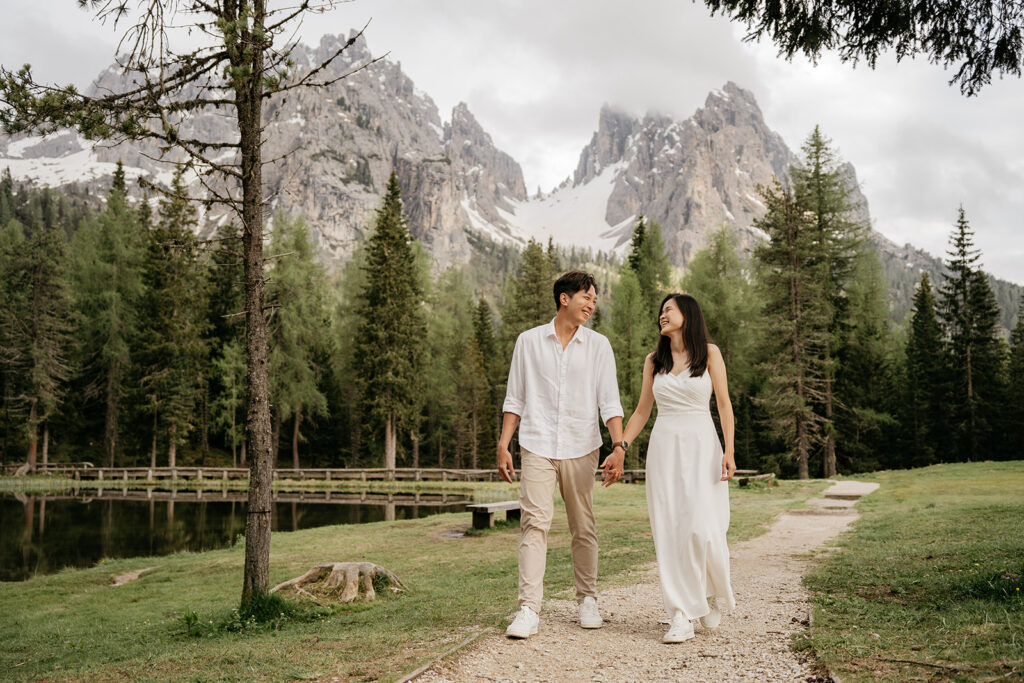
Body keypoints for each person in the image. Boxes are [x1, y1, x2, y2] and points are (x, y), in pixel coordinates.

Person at [498, 270, 625, 639]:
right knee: (534, 523)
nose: (591, 303)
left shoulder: (599, 346)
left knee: (583, 526)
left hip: (582, 445)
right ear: (564, 298)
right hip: (536, 443)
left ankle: (587, 600)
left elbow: (610, 402)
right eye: (586, 296)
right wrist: (504, 443)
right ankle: (528, 609)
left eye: (595, 299)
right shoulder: (528, 341)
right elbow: (515, 397)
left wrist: (618, 447)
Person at [618, 293, 737, 643]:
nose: (662, 315)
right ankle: (681, 614)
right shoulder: (654, 360)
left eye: (668, 309)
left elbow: (725, 405)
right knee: (670, 530)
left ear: (688, 314)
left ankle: (710, 590)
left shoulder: (710, 353)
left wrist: (729, 450)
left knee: (703, 529)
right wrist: (621, 446)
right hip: (665, 447)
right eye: (660, 311)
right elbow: (642, 411)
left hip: (702, 445)